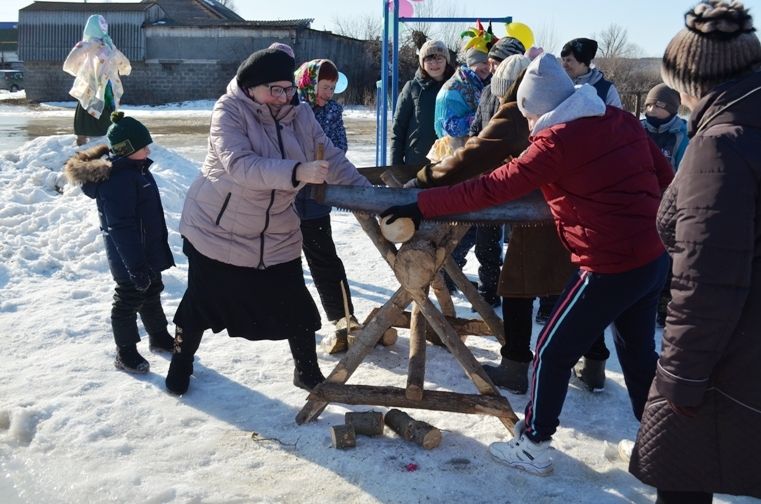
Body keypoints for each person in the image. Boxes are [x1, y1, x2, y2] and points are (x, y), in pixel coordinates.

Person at [381, 53, 673, 475]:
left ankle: (534, 444)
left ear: (537, 108)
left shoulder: (557, 141)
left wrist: (420, 203)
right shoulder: (619, 119)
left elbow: (488, 188)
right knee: (640, 355)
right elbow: (664, 176)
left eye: (529, 115)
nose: (530, 124)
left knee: (551, 352)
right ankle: (661, 447)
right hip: (650, 258)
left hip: (610, 264)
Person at [166, 48, 369, 395]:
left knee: (296, 305)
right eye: (274, 90)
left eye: (287, 88)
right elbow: (241, 166)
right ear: (250, 88)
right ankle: (181, 363)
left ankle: (307, 372)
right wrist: (298, 171)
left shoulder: (300, 114)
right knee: (202, 303)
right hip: (218, 229)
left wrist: (369, 197)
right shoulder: (228, 112)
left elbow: (330, 157)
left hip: (275, 231)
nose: (283, 97)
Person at [629, 2, 761, 501]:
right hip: (746, 346)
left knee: (683, 479)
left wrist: (681, 376)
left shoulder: (722, 145)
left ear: (696, 81)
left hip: (727, 356)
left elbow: (707, 277)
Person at [64, 112, 175, 373]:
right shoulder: (118, 181)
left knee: (151, 291)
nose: (148, 149)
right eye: (142, 145)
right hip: (129, 257)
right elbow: (121, 228)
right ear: (126, 150)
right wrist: (135, 266)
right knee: (128, 299)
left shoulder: (137, 170)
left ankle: (158, 335)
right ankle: (125, 352)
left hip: (146, 251)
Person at [443, 36, 527, 309]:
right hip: (487, 177)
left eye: (499, 64)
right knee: (483, 238)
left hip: (518, 179)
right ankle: (484, 288)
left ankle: (521, 294)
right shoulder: (489, 91)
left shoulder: (531, 98)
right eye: (492, 64)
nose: (494, 69)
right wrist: (475, 156)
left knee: (521, 243)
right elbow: (477, 130)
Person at [294, 58, 360, 352]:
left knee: (324, 257)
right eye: (324, 87)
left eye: (333, 88)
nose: (328, 93)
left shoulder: (333, 110)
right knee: (285, 262)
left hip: (317, 195)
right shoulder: (292, 108)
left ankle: (344, 318)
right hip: (289, 195)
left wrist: (324, 155)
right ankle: (293, 323)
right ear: (309, 84)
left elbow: (340, 146)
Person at [641, 83, 688, 328]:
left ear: (671, 109)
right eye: (648, 104)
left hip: (670, 202)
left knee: (667, 258)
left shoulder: (681, 134)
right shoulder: (638, 129)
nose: (651, 110)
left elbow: (684, 168)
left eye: (658, 105)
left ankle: (664, 302)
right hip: (641, 202)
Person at [63, 15, 131, 146]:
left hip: (100, 86)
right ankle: (89, 139)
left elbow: (118, 58)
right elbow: (71, 61)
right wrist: (89, 46)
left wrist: (125, 68)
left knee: (96, 110)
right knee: (92, 108)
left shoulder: (105, 45)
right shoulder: (97, 45)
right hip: (97, 85)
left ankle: (98, 139)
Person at [391, 40, 455, 166]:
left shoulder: (457, 87)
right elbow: (398, 128)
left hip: (450, 161)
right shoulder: (412, 88)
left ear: (446, 60)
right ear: (422, 63)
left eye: (439, 59)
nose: (434, 64)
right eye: (429, 59)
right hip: (417, 161)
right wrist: (396, 166)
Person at [560, 37, 622, 108]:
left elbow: (617, 117)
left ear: (583, 62)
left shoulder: (605, 90)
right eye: (563, 60)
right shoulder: (559, 86)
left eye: (568, 60)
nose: (564, 65)